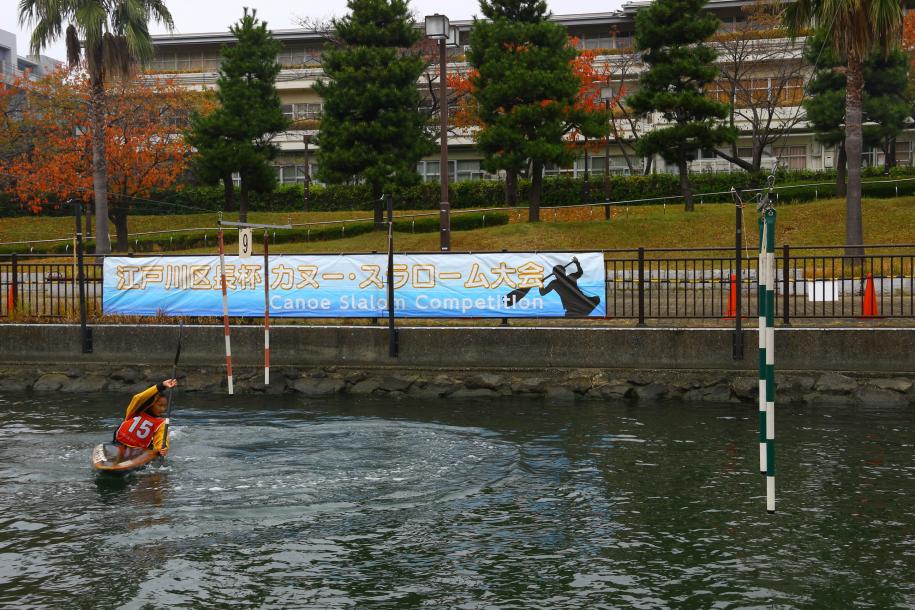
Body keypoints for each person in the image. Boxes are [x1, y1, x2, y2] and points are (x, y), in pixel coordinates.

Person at [114, 379, 177, 457]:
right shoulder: (135, 411)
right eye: (160, 405)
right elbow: (139, 397)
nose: (163, 409)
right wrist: (161, 385)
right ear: (151, 404)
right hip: (118, 443)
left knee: (153, 447)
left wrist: (162, 448)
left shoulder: (161, 423)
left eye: (164, 406)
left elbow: (161, 438)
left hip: (138, 451)